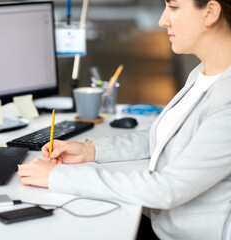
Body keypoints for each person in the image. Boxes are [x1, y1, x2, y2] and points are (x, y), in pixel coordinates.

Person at [18, 0, 231, 239]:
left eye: (173, 7)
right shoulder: (204, 72)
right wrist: (90, 150)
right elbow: (167, 136)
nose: (162, 20)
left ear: (210, 11)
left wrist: (57, 177)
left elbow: (168, 188)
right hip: (159, 221)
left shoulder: (227, 99)